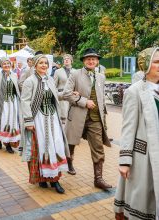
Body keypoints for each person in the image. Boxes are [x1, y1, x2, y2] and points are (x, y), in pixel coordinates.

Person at [114, 47, 159, 220]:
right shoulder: (135, 91)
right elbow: (128, 127)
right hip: (144, 155)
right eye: (156, 62)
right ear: (145, 65)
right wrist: (125, 161)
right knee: (144, 193)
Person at [63, 48, 112, 190]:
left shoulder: (101, 77)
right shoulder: (75, 74)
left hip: (95, 119)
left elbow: (102, 99)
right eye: (88, 59)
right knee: (71, 144)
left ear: (97, 61)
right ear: (84, 61)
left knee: (98, 148)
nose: (91, 61)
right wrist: (84, 101)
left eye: (94, 59)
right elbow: (66, 94)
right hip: (77, 116)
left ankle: (98, 178)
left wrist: (104, 120)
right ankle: (69, 162)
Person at [20, 54, 70, 194]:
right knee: (43, 146)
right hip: (39, 118)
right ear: (35, 65)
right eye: (41, 63)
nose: (44, 65)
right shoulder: (30, 81)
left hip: (53, 118)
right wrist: (29, 121)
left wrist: (67, 94)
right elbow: (24, 101)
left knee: (56, 145)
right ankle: (43, 178)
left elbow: (54, 95)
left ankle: (55, 179)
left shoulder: (50, 79)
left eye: (45, 63)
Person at [54, 54, 75, 125]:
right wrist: (58, 95)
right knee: (63, 117)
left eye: (68, 58)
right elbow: (54, 86)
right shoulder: (58, 71)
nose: (66, 60)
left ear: (71, 61)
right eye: (64, 59)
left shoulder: (76, 71)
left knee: (72, 117)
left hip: (73, 97)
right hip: (62, 97)